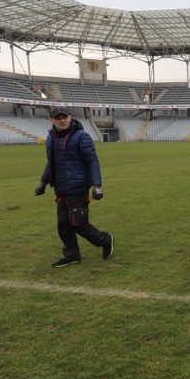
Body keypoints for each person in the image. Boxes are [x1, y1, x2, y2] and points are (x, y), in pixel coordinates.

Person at [35, 106, 114, 268]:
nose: (62, 120)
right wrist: (43, 182)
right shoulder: (51, 138)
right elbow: (52, 163)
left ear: (70, 117)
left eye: (65, 117)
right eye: (58, 118)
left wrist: (97, 185)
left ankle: (105, 240)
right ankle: (72, 255)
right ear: (51, 120)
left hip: (78, 187)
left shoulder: (81, 136)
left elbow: (92, 161)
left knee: (78, 223)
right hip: (61, 188)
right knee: (63, 225)